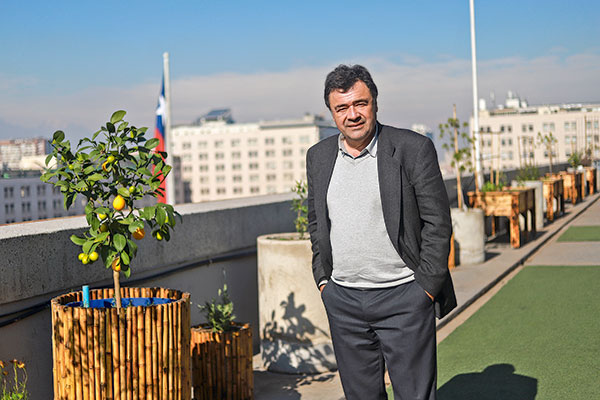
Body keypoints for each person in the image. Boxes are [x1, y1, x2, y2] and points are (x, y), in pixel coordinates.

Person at [306, 64, 456, 400]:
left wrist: (425, 289)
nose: (352, 114)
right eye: (342, 107)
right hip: (343, 300)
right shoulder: (318, 157)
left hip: (404, 296)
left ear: (375, 102)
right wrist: (323, 281)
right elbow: (316, 222)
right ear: (331, 112)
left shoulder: (412, 148)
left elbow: (438, 222)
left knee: (414, 395)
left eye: (360, 103)